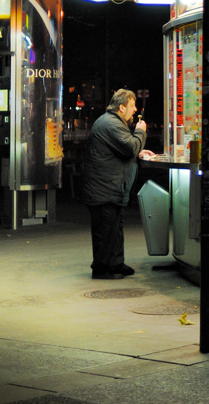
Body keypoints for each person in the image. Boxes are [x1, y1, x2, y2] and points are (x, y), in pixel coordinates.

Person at [77, 89, 155, 279]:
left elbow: (121, 148)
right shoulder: (111, 123)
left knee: (114, 227)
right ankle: (102, 269)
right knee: (106, 230)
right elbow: (130, 146)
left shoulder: (111, 122)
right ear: (122, 107)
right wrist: (140, 132)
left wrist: (138, 152)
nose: (135, 109)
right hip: (104, 188)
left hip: (109, 187)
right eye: (132, 105)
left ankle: (116, 264)